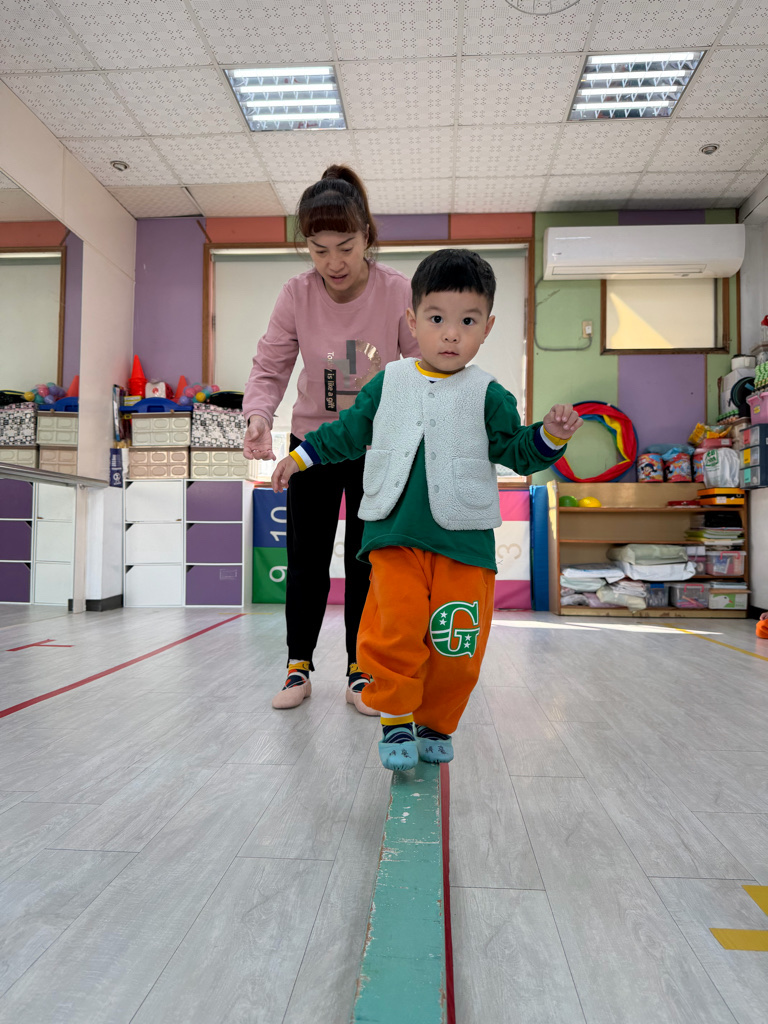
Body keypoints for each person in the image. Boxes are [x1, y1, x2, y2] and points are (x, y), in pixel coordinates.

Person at [271, 248, 584, 770]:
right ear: (413, 321)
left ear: (487, 328)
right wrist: (300, 457)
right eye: (436, 319)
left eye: (468, 322)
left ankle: (436, 721)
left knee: (457, 642)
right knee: (393, 630)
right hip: (394, 536)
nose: (451, 334)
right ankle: (395, 716)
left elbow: (516, 451)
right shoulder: (388, 382)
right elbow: (347, 432)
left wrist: (550, 435)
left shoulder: (489, 394)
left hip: (463, 544)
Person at [243, 166, 419, 712]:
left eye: (345, 247)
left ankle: (361, 670)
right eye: (319, 251)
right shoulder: (296, 294)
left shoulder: (397, 291)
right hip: (313, 449)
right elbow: (271, 364)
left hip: (377, 449)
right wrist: (257, 415)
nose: (333, 263)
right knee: (307, 560)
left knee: (367, 561)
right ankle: (298, 666)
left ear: (366, 235)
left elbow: (422, 367)